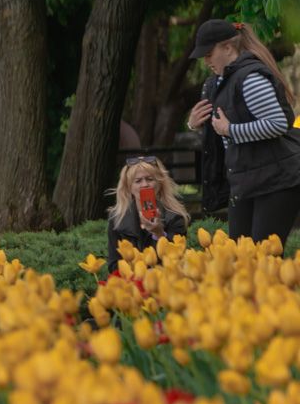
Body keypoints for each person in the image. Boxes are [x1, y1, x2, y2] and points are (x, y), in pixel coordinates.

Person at [186, 19, 300, 243]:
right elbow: (221, 136)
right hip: (244, 181)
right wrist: (194, 123)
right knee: (241, 257)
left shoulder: (251, 79)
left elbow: (278, 123)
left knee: (263, 257)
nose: (205, 60)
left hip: (277, 181)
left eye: (209, 53)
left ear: (227, 48)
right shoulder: (215, 83)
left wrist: (231, 129)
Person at [106, 157, 189, 275]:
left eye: (150, 179)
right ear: (129, 187)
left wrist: (159, 234)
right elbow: (114, 265)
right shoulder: (117, 219)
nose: (145, 184)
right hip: (132, 283)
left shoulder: (175, 217)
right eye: (138, 181)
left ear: (159, 184)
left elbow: (177, 259)